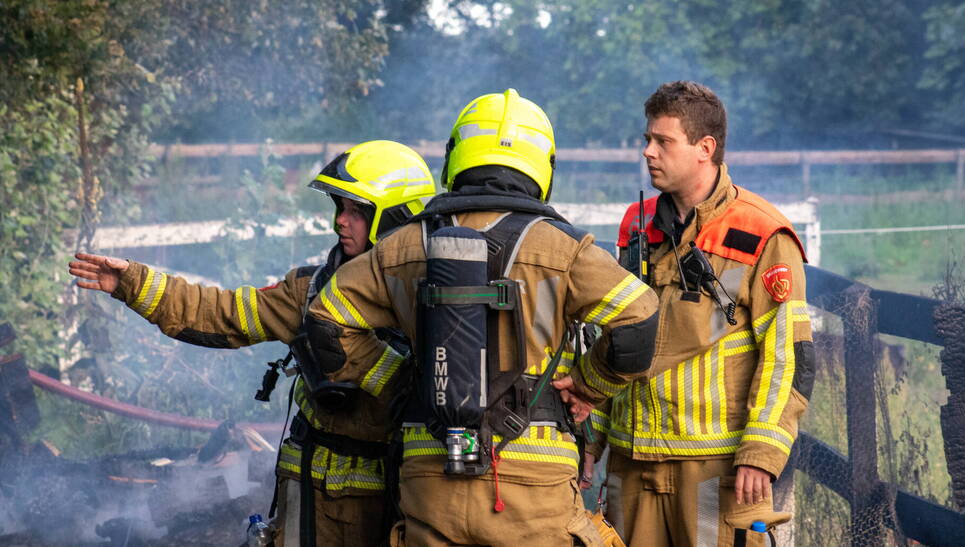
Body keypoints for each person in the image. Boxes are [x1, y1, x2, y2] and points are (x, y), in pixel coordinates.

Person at [301, 89, 661, 547]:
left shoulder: (404, 246)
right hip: (535, 488)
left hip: (429, 479)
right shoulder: (564, 250)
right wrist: (592, 384)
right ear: (542, 165)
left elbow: (326, 321)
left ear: (456, 156)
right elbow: (640, 320)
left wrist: (402, 384)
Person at [68, 140, 436, 547]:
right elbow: (221, 314)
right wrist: (133, 284)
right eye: (339, 208)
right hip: (305, 505)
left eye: (356, 212)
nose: (339, 223)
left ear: (395, 219)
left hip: (390, 510)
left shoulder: (433, 306)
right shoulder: (311, 291)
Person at [585, 81, 815, 546]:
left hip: (718, 469)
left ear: (704, 148)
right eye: (647, 139)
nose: (648, 152)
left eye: (662, 141)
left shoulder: (762, 233)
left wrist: (761, 453)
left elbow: (788, 357)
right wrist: (593, 438)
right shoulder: (636, 225)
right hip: (631, 463)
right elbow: (614, 337)